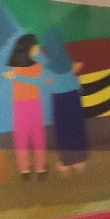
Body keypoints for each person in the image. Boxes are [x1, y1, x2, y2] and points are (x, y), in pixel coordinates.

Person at [3, 33, 52, 179]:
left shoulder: (15, 68)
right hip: (34, 104)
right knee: (38, 136)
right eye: (35, 46)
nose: (37, 48)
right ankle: (40, 168)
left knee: (21, 137)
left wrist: (16, 76)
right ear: (29, 48)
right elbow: (45, 81)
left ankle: (24, 169)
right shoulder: (37, 67)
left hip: (19, 105)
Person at [42, 28, 87, 174]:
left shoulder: (49, 65)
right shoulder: (68, 60)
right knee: (76, 127)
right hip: (73, 97)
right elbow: (75, 76)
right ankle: (80, 160)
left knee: (63, 130)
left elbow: (46, 82)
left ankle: (66, 161)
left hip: (59, 99)